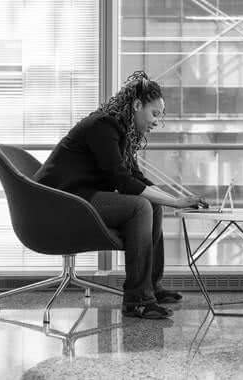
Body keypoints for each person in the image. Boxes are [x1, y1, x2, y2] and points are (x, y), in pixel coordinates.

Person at [34, 71, 206, 319]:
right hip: (59, 202)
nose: (157, 121)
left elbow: (135, 178)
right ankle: (137, 300)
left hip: (80, 198)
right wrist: (176, 201)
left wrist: (175, 198)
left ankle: (150, 288)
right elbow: (122, 182)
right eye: (154, 114)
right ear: (137, 105)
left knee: (151, 204)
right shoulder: (103, 126)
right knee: (141, 207)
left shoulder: (119, 129)